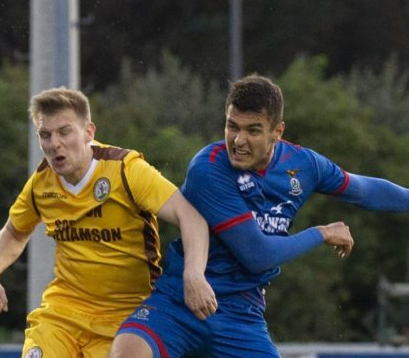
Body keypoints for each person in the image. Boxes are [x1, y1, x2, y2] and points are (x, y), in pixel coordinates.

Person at [109, 74, 409, 357]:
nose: (238, 141)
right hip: (180, 302)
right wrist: (320, 233)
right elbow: (257, 255)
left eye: (252, 130)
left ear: (277, 132)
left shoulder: (303, 165)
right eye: (232, 126)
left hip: (241, 315)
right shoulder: (209, 168)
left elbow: (363, 190)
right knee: (128, 351)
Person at [0, 87, 218, 358]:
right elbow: (14, 232)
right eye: (45, 135)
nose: (54, 143)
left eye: (64, 132)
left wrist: (194, 274)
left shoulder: (126, 170)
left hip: (127, 315)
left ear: (89, 132)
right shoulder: (41, 184)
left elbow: (191, 217)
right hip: (63, 313)